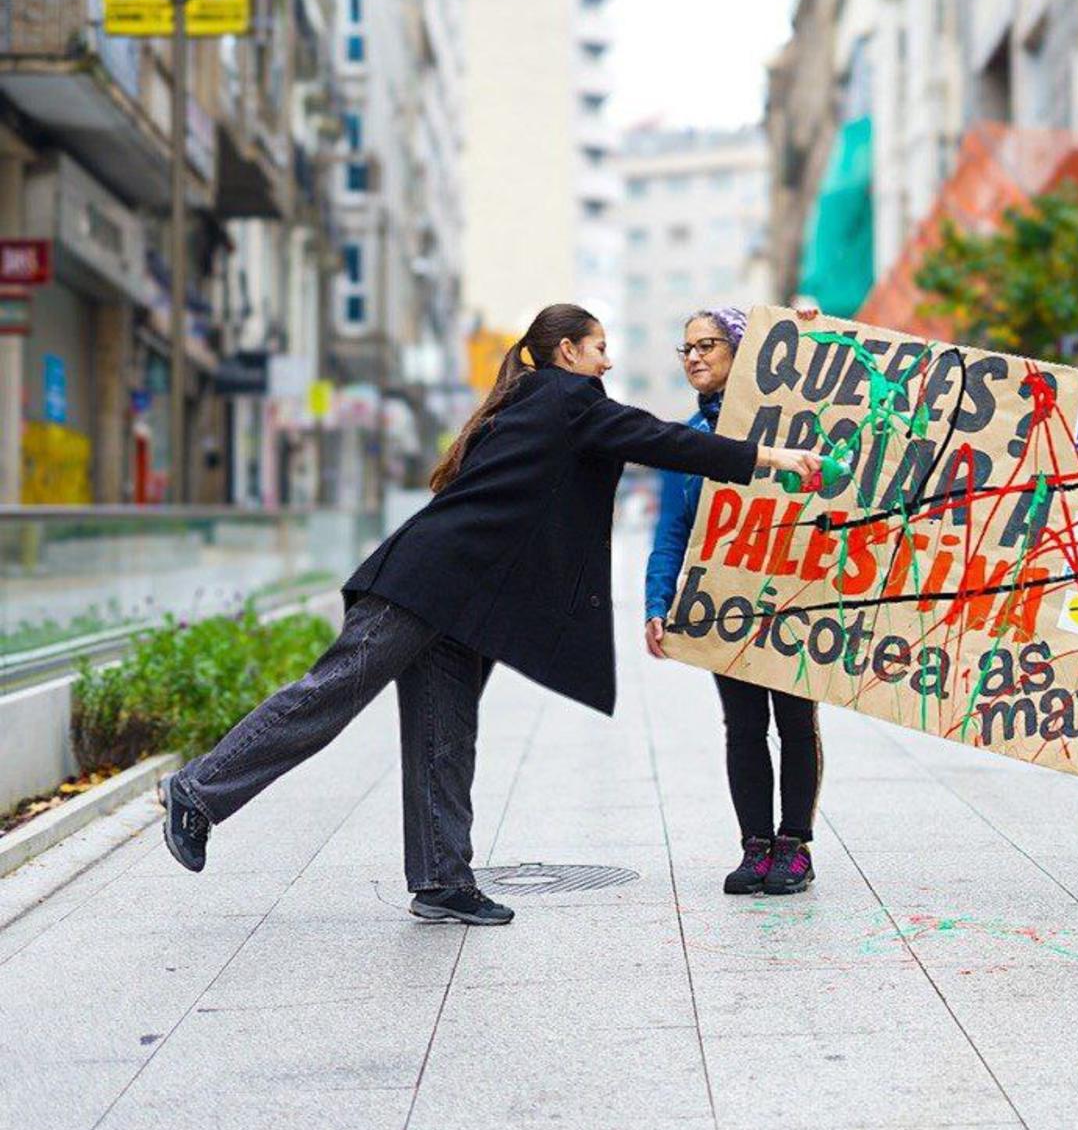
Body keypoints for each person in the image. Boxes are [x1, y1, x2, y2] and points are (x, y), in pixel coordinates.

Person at [159, 303, 820, 925]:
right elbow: (664, 440)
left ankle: (443, 879)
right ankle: (199, 788)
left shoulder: (528, 401)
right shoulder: (569, 399)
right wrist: (770, 457)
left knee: (444, 737)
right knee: (329, 695)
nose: (608, 364)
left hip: (460, 600)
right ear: (567, 351)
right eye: (599, 349)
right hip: (422, 585)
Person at [645, 307, 824, 897]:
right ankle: (756, 846)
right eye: (687, 347)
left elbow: (849, 404)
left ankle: (794, 845)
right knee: (743, 725)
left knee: (795, 719)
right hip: (725, 606)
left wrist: (808, 336)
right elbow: (673, 530)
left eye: (709, 344)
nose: (695, 356)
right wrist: (657, 601)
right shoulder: (687, 441)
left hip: (796, 598)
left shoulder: (795, 421)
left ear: (741, 352)